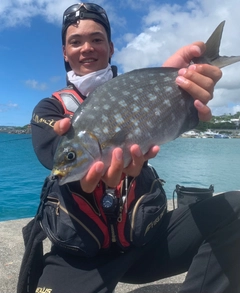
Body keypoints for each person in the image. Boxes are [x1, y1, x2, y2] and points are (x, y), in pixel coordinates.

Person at [26, 3, 240, 293]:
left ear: (111, 48)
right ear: (65, 52)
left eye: (97, 39)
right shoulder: (50, 109)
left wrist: (182, 86)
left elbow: (163, 122)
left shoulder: (135, 89)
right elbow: (55, 157)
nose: (87, 47)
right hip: (79, 256)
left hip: (146, 241)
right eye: (75, 41)